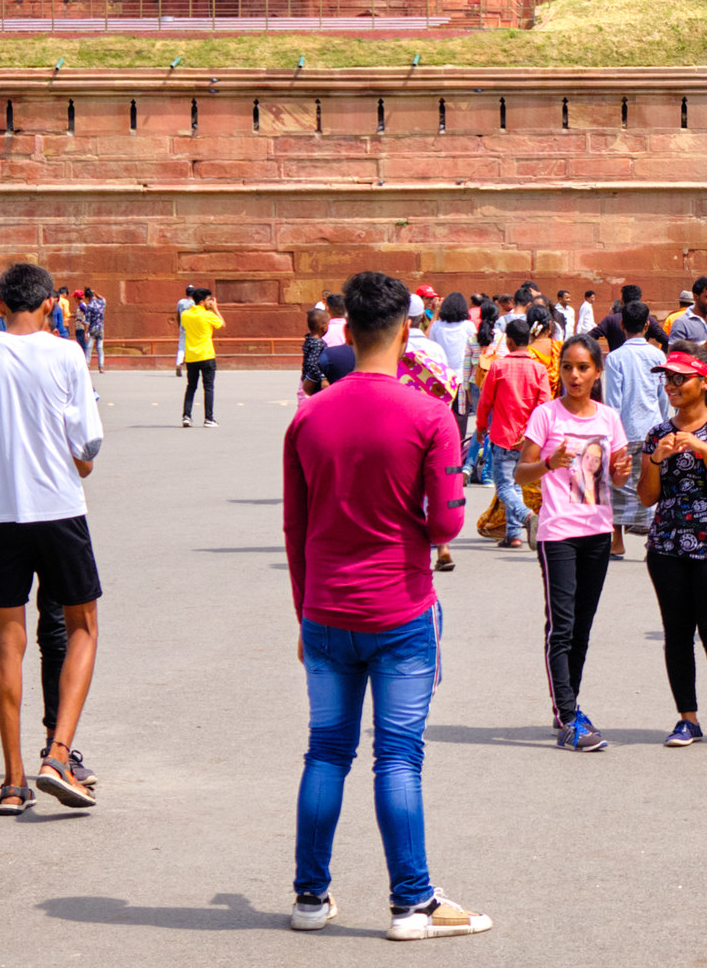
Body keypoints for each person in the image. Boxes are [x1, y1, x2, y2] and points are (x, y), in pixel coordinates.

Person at [281, 269, 483, 939]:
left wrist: (304, 612)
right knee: (397, 756)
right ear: (403, 331)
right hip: (399, 607)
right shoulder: (429, 415)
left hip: (327, 607)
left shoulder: (309, 415)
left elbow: (294, 524)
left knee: (326, 752)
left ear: (347, 328)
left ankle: (311, 897)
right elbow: (449, 523)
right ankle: (411, 903)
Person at [0, 262, 104, 814]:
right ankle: (56, 754)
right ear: (50, 304)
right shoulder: (67, 354)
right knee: (81, 629)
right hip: (58, 509)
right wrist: (77, 452)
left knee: (7, 641)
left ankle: (11, 782)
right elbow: (89, 439)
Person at [519, 337, 633, 752]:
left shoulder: (608, 418)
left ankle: (567, 703)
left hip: (598, 533)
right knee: (562, 628)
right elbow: (521, 473)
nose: (574, 375)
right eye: (567, 367)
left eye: (583, 368)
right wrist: (548, 464)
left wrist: (622, 470)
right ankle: (569, 717)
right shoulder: (545, 416)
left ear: (597, 372)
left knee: (582, 628)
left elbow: (617, 479)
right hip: (559, 533)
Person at [636, 349, 707, 749]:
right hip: (666, 544)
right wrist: (655, 458)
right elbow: (647, 498)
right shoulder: (657, 433)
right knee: (677, 633)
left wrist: (704, 451)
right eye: (667, 378)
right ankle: (687, 719)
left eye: (680, 378)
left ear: (704, 383)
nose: (671, 385)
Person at [599, 305, 670, 558]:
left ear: (621, 326)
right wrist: (664, 422)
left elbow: (613, 401)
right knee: (652, 483)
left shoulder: (616, 358)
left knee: (617, 485)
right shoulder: (658, 357)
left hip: (624, 430)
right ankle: (653, 539)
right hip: (653, 428)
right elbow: (664, 396)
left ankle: (617, 540)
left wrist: (609, 433)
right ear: (648, 325)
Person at [479, 320, 550, 549]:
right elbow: (544, 404)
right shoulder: (539, 369)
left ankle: (527, 517)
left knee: (505, 487)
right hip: (528, 440)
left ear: (508, 341)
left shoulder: (498, 367)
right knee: (516, 484)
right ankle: (513, 534)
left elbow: (485, 401)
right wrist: (531, 429)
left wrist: (480, 427)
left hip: (503, 436)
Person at [178, 286, 223, 427]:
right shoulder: (208, 315)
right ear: (203, 301)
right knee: (208, 387)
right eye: (210, 300)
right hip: (206, 355)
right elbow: (221, 324)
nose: (212, 301)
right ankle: (209, 418)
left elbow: (185, 326)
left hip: (191, 356)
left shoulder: (185, 314)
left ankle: (186, 416)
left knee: (191, 387)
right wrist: (215, 309)